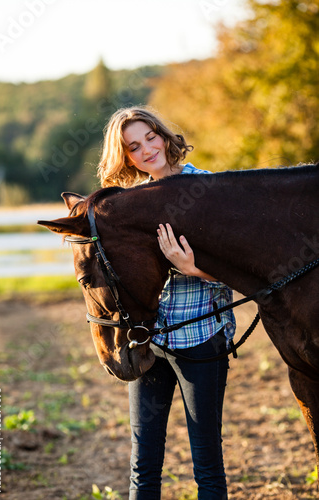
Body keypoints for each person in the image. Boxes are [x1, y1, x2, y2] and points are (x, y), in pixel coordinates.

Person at [97, 106, 236, 500]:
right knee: (144, 465)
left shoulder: (208, 188)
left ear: (163, 135)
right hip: (148, 345)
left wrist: (193, 269)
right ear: (126, 157)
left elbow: (245, 270)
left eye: (149, 137)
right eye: (133, 147)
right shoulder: (131, 203)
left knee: (207, 463)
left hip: (201, 339)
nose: (146, 150)